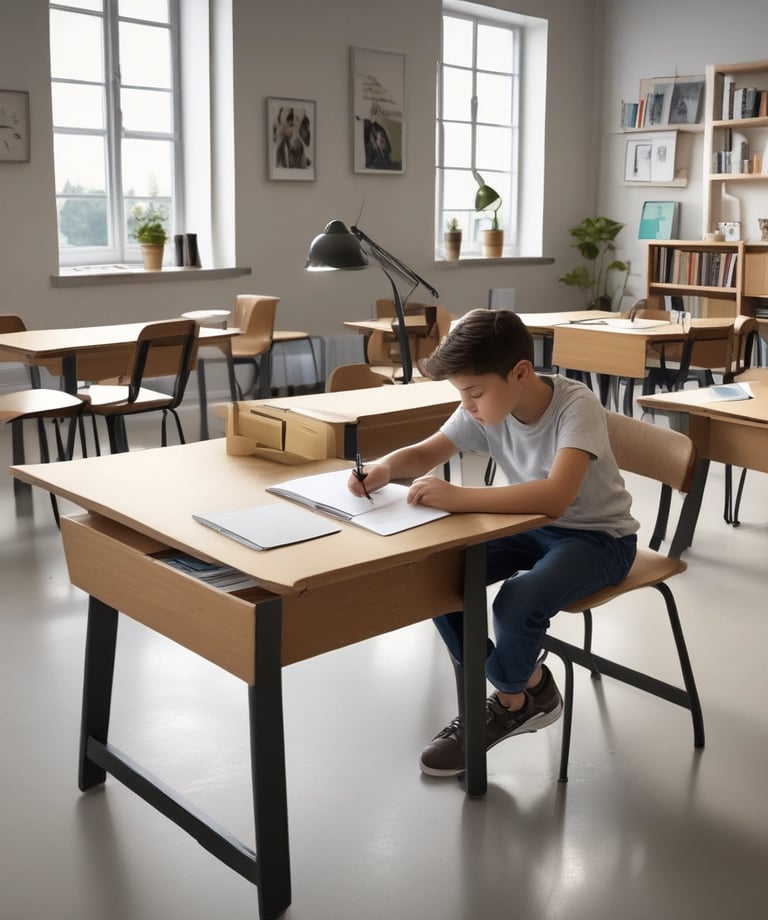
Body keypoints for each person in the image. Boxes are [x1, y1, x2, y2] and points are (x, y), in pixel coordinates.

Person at [347, 309, 639, 777]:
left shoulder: (574, 404)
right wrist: (384, 467)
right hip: (528, 525)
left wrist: (461, 498)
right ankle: (526, 687)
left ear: (520, 373)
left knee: (516, 601)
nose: (467, 405)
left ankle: (509, 699)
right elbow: (427, 450)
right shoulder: (487, 403)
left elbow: (557, 497)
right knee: (440, 575)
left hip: (600, 539)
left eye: (473, 393)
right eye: (462, 395)